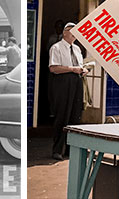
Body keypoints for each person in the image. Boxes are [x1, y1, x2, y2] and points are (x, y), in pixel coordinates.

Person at [49, 22, 86, 160]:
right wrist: (72, 69)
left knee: (75, 115)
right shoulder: (56, 47)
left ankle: (71, 150)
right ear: (65, 32)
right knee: (62, 115)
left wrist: (82, 70)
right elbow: (53, 68)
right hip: (63, 82)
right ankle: (57, 150)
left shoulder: (77, 49)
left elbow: (79, 65)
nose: (75, 33)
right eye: (72, 31)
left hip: (76, 81)